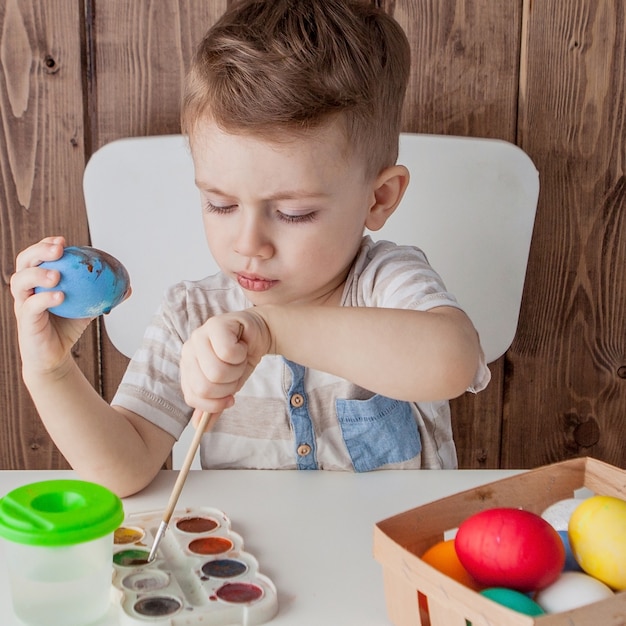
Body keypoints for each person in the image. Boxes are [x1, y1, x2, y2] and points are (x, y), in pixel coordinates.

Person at [11, 0, 490, 497]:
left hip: (391, 560)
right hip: (245, 564)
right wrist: (51, 373)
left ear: (379, 198)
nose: (248, 244)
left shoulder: (387, 281)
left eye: (293, 213)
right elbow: (123, 470)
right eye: (220, 205)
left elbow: (453, 360)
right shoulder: (191, 315)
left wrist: (270, 329)